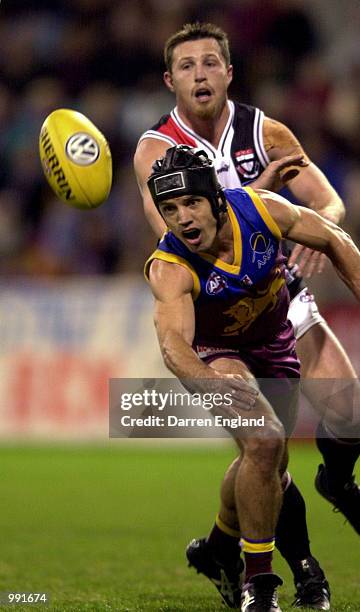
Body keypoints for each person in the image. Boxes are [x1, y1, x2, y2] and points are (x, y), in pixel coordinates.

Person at [134, 23, 360, 552]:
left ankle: (335, 482)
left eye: (210, 63)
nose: (200, 75)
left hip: (278, 291)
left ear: (229, 73)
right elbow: (175, 237)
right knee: (266, 448)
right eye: (187, 67)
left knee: (350, 416)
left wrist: (309, 231)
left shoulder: (267, 133)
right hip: (217, 309)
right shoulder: (156, 151)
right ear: (171, 80)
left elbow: (328, 204)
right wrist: (263, 202)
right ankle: (288, 572)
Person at [144, 145, 360, 611]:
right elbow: (173, 346)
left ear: (216, 199)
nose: (182, 218)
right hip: (218, 351)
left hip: (277, 340)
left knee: (269, 461)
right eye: (170, 209)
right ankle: (259, 584)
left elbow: (334, 239)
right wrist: (209, 380)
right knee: (263, 442)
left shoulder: (261, 210)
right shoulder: (170, 266)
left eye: (191, 202)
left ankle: (219, 547)